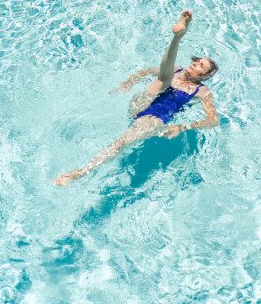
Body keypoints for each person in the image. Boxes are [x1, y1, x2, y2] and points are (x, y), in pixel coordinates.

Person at [54, 10, 219, 186]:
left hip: (153, 119)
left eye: (201, 65)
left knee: (118, 144)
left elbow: (213, 119)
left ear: (205, 76)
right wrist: (128, 83)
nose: (195, 63)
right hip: (141, 103)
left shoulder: (203, 92)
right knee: (163, 78)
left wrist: (182, 126)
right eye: (197, 60)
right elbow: (146, 72)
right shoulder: (176, 69)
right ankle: (177, 37)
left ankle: (77, 174)